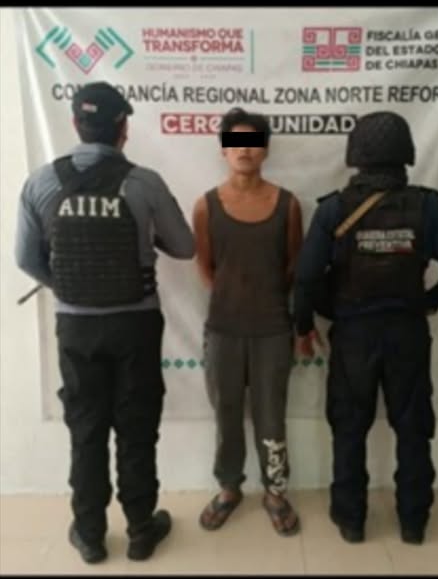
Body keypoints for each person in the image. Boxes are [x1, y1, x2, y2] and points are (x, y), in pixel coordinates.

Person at [14, 82, 195, 563]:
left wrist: (68, 286)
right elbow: (185, 247)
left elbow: (25, 259)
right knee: (137, 428)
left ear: (76, 123)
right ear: (123, 128)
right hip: (135, 325)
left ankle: (90, 534)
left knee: (86, 429)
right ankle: (140, 530)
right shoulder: (145, 183)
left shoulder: (40, 183)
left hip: (76, 328)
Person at [293, 111, 438, 545]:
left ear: (355, 155)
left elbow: (305, 278)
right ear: (406, 153)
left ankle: (351, 520)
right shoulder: (427, 206)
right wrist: (430, 301)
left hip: (354, 336)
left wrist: (310, 321)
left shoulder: (334, 209)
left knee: (349, 428)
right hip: (407, 333)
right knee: (413, 430)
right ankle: (414, 522)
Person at [192, 107, 303, 536]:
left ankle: (275, 492)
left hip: (273, 329)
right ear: (224, 150)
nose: (244, 150)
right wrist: (233, 300)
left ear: (266, 149)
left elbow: (293, 266)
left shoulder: (288, 205)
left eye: (253, 142)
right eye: (235, 142)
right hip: (223, 329)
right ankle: (229, 488)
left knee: (271, 416)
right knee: (226, 414)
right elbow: (206, 268)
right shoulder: (206, 206)